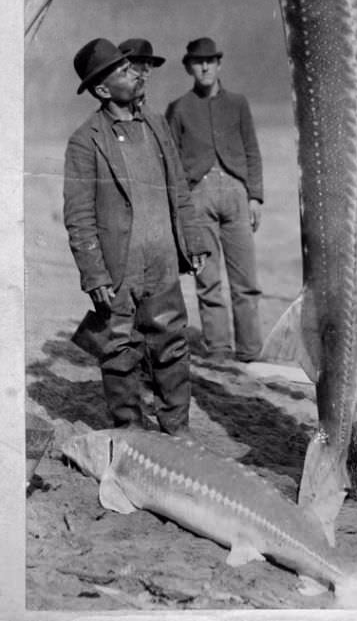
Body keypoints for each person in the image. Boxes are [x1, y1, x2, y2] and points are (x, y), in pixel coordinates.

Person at [63, 38, 208, 434]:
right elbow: (78, 215)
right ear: (103, 90)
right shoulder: (85, 140)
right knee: (119, 351)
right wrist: (94, 275)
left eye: (132, 68)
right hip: (118, 268)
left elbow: (178, 185)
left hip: (161, 261)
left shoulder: (156, 123)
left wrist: (192, 238)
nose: (135, 73)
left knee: (172, 346)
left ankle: (177, 432)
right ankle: (129, 434)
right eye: (124, 71)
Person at [165, 36, 264, 363]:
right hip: (198, 199)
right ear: (188, 67)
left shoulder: (238, 103)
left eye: (210, 60)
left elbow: (252, 151)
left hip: (236, 194)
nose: (205, 67)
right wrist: (181, 212)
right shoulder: (178, 109)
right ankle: (219, 353)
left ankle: (250, 353)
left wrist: (255, 197)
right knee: (208, 281)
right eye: (198, 62)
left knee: (246, 280)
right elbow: (173, 163)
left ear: (219, 64)